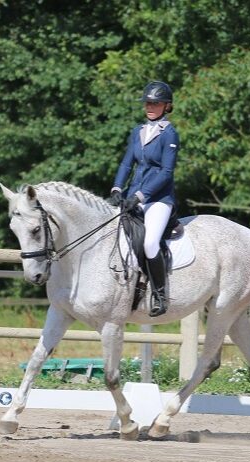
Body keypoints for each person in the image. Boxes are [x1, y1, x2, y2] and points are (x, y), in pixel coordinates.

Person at [106, 80, 179, 317]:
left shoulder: (169, 134)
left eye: (155, 103)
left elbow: (166, 172)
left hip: (158, 199)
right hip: (133, 196)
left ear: (166, 106)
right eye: (148, 102)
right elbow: (127, 162)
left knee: (149, 243)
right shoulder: (138, 131)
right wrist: (117, 188)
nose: (150, 106)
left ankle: (160, 294)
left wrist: (140, 196)